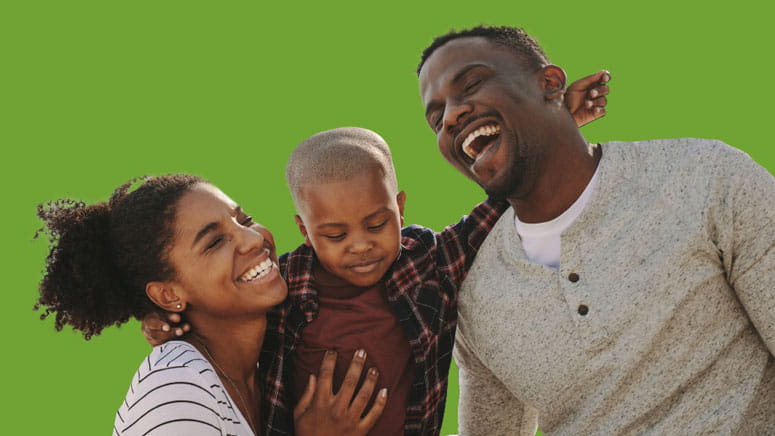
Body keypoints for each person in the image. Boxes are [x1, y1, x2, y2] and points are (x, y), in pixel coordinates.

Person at [417, 25, 775, 435]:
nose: (450, 117)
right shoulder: (476, 296)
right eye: (435, 117)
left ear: (550, 84)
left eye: (472, 84)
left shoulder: (706, 178)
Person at [35, 174, 387, 436]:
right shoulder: (175, 391)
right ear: (169, 295)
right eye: (215, 242)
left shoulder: (270, 358)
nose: (254, 239)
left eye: (244, 219)